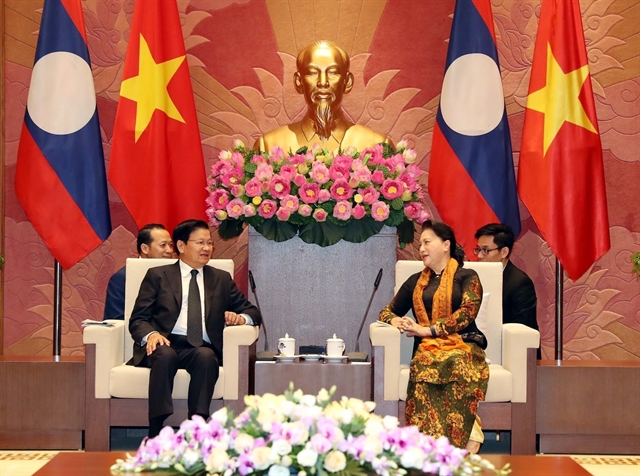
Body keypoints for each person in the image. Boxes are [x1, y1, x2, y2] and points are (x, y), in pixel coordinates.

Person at [129, 219, 261, 437]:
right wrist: (151, 334)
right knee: (165, 355)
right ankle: (156, 429)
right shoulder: (158, 275)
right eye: (200, 242)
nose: (207, 248)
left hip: (200, 346)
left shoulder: (220, 278)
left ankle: (197, 425)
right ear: (181, 246)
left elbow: (253, 312)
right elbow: (138, 318)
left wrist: (240, 318)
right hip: (165, 341)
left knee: (206, 357)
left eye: (209, 243)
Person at [379, 220, 488, 452]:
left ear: (446, 244)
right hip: (427, 349)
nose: (422, 249)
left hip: (465, 344)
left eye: (427, 242)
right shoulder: (415, 281)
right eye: (420, 245)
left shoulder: (467, 275)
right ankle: (428, 448)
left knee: (456, 361)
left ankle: (461, 440)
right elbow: (386, 312)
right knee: (424, 363)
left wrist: (428, 330)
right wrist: (396, 320)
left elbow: (467, 312)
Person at [254, 40, 392, 153]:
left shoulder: (378, 147)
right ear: (299, 81)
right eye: (312, 73)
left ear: (347, 82)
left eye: (333, 73)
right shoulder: (268, 146)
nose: (323, 82)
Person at [474, 223, 538, 331]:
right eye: (478, 249)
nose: (479, 256)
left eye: (485, 250)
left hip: (509, 343)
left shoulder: (520, 283)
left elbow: (522, 327)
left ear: (504, 252)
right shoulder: (475, 275)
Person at [103, 224, 174, 320]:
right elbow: (116, 318)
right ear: (145, 249)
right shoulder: (123, 277)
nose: (169, 250)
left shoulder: (177, 273)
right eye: (163, 245)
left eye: (170, 245)